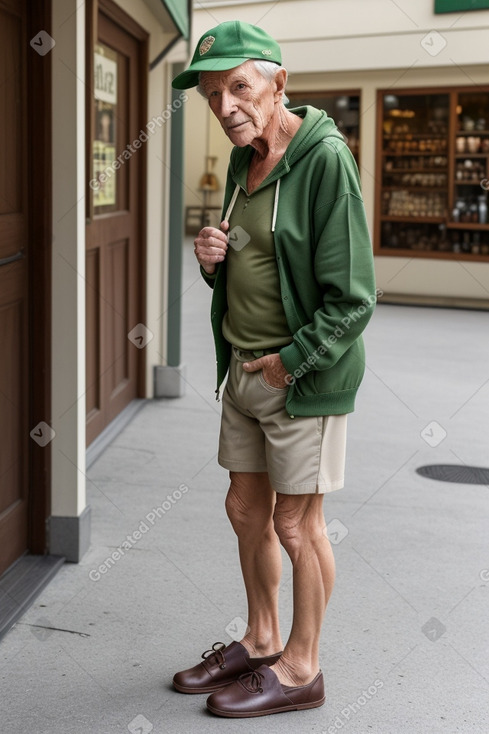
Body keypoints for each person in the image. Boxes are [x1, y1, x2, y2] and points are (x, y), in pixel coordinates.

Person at [171, 20, 376, 719]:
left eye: (237, 87)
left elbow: (353, 299)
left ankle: (301, 667)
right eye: (209, 94)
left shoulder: (325, 161)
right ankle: (260, 639)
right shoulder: (242, 158)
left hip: (300, 380)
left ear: (278, 83)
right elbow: (253, 263)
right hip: (242, 370)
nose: (224, 105)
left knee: (297, 525)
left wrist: (291, 363)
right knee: (244, 509)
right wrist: (212, 260)